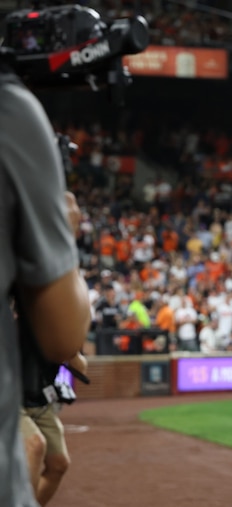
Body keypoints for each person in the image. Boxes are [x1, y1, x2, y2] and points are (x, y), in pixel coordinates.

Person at [1, 61, 91, 506]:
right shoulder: (10, 110)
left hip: (34, 390)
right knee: (32, 450)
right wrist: (63, 238)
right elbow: (63, 337)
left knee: (54, 459)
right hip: (16, 388)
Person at [20, 351, 88, 505]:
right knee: (35, 444)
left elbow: (81, 368)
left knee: (58, 464)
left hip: (41, 401)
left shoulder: (56, 327)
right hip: (9, 399)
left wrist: (69, 349)